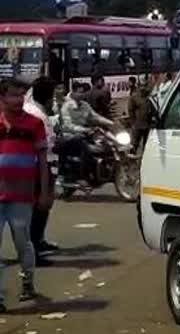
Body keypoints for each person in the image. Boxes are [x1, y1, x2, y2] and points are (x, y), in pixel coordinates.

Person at [0, 78, 53, 312]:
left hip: (22, 196)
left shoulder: (34, 124)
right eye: (12, 95)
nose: (17, 100)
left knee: (23, 243)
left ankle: (27, 282)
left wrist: (43, 192)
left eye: (21, 95)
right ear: (2, 98)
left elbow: (42, 161)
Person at [23, 77, 60, 266]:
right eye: (53, 96)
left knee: (41, 209)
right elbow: (44, 149)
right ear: (48, 97)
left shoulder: (36, 111)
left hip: (40, 166)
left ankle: (38, 242)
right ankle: (33, 251)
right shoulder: (38, 116)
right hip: (40, 167)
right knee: (39, 208)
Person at [58, 82, 115, 183]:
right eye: (79, 92)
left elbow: (95, 117)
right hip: (70, 136)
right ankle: (84, 175)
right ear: (73, 92)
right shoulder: (66, 107)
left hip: (84, 134)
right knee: (85, 147)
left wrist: (111, 123)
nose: (81, 95)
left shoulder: (85, 105)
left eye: (83, 92)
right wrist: (85, 130)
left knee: (105, 143)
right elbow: (68, 126)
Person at [128, 81, 152, 155]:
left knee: (147, 145)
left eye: (145, 86)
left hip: (148, 125)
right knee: (134, 144)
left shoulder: (149, 96)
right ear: (138, 87)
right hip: (137, 125)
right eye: (141, 86)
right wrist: (133, 123)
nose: (143, 88)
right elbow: (130, 110)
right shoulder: (134, 97)